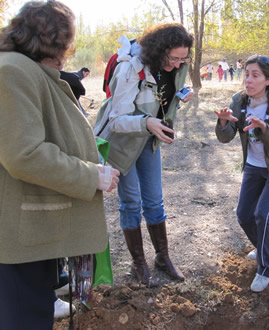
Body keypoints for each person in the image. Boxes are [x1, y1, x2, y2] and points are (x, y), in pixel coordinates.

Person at [0, 1, 120, 328]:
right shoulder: (12, 71)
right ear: (55, 36)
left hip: (30, 234)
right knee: (25, 319)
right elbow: (24, 154)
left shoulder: (25, 68)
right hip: (16, 239)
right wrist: (91, 175)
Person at [94, 23, 194, 286]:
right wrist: (147, 122)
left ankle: (163, 257)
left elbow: (162, 97)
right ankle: (139, 263)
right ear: (159, 50)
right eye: (174, 58)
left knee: (154, 201)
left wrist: (179, 97)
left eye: (184, 58)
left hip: (148, 141)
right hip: (124, 143)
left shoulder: (177, 67)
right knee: (131, 202)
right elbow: (116, 120)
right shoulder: (130, 68)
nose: (178, 64)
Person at [214, 55, 269, 292]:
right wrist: (223, 123)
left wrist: (264, 128)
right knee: (244, 215)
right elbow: (227, 136)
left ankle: (266, 268)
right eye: (246, 74)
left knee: (263, 215)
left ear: (268, 80)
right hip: (254, 165)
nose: (248, 80)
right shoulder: (239, 101)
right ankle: (267, 244)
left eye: (255, 75)